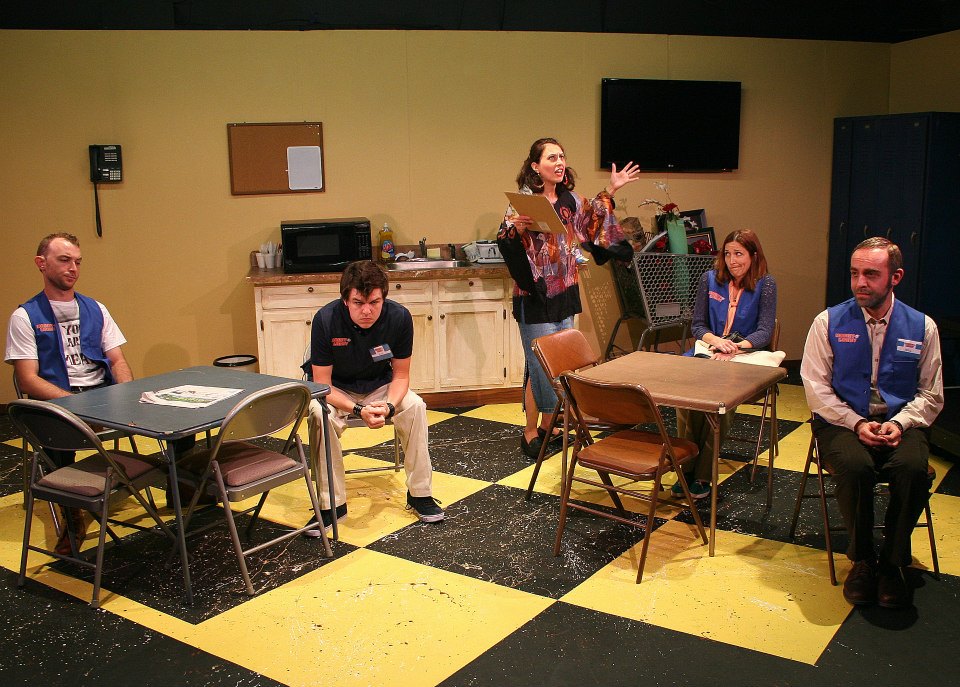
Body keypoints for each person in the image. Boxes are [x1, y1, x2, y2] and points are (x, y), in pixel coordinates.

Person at [801, 237, 942, 609]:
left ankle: (893, 562)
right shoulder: (827, 322)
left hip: (901, 420)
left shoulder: (923, 327)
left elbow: (931, 393)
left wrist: (902, 423)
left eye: (871, 274)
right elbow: (815, 387)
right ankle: (862, 559)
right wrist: (855, 423)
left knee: (912, 469)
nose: (859, 282)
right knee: (855, 467)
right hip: (841, 420)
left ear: (895, 277)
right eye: (854, 273)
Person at [497, 137, 637, 458]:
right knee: (538, 363)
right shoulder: (523, 202)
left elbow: (594, 218)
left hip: (565, 292)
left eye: (561, 157)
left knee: (559, 363)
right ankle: (530, 432)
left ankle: (549, 425)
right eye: (551, 158)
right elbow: (505, 238)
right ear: (535, 166)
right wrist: (517, 229)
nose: (559, 163)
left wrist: (612, 189)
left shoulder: (570, 200)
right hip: (535, 294)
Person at [5, 232, 135, 555]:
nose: (73, 268)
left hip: (100, 396)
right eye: (64, 260)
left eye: (77, 261)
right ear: (41, 263)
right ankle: (72, 515)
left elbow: (118, 361)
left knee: (168, 418)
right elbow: (28, 380)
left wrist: (127, 393)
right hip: (58, 401)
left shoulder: (96, 309)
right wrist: (73, 403)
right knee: (57, 434)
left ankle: (185, 495)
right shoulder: (25, 316)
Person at [303, 260, 443, 532]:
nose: (367, 311)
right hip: (336, 390)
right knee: (319, 414)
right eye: (358, 303)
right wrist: (357, 410)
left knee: (415, 406)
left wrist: (389, 406)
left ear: (383, 299)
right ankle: (332, 504)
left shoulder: (399, 317)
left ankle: (420, 494)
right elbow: (322, 383)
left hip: (380, 386)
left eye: (374, 302)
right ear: (345, 300)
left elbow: (400, 376)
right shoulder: (325, 319)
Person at [674, 229, 777, 498]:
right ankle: (685, 468)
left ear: (753, 256)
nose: (732, 260)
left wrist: (735, 347)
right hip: (710, 349)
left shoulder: (766, 283)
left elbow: (765, 331)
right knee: (683, 398)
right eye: (728, 254)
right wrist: (718, 342)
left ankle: (703, 475)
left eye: (739, 254)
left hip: (744, 354)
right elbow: (698, 325)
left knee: (719, 402)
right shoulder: (709, 279)